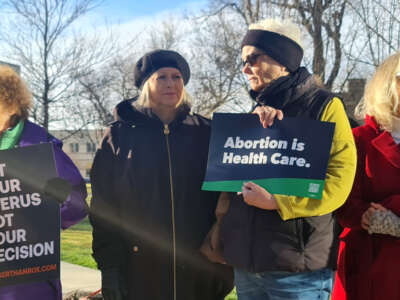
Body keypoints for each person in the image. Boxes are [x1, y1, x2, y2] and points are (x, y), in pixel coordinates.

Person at [218, 19, 357, 300]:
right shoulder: (253, 111)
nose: (245, 69)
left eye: (253, 59)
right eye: (243, 61)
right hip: (247, 266)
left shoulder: (325, 106)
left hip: (298, 270)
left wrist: (279, 203)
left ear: (283, 60)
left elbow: (339, 180)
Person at [89, 49, 233, 300]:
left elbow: (226, 199)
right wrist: (110, 268)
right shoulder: (119, 136)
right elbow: (104, 207)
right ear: (146, 85)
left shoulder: (207, 133)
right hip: (140, 269)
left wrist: (222, 262)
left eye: (177, 77)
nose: (171, 84)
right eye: (162, 77)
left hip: (199, 269)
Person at [0, 65, 88, 299]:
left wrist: (60, 198)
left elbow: (76, 205)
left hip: (27, 282)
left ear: (11, 103)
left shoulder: (38, 145)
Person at [332, 51, 400, 300]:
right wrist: (367, 217)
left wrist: (392, 210)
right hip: (369, 264)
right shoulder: (359, 139)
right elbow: (343, 202)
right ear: (387, 84)